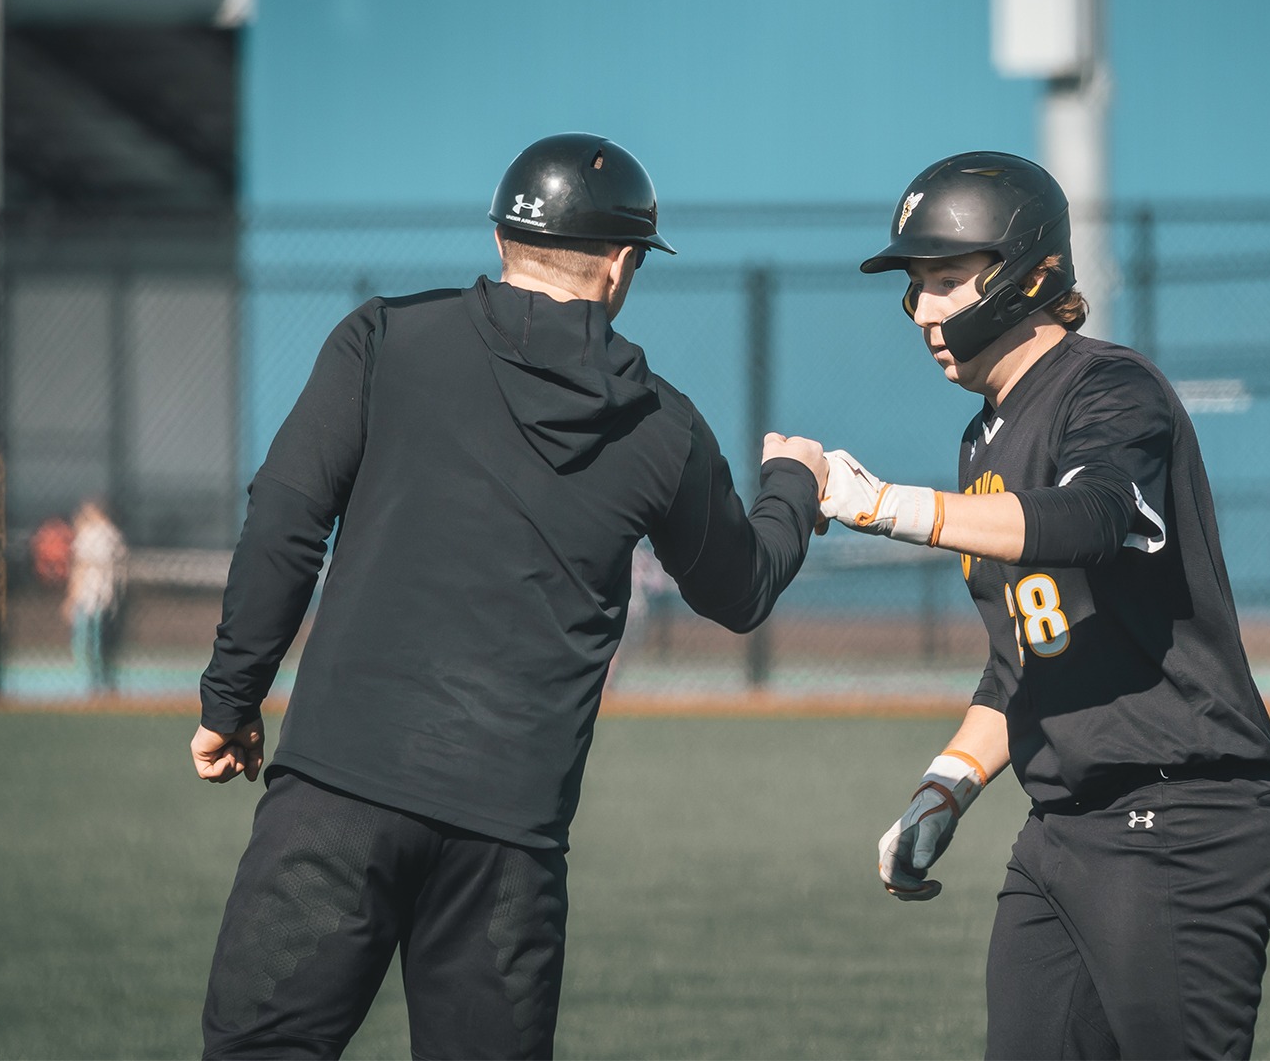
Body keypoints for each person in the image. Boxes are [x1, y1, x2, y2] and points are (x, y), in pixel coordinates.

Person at [189, 133, 828, 1060]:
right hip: (509, 845)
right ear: (620, 264)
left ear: (501, 240)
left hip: (334, 795)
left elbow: (285, 520)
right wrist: (793, 487)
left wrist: (232, 698)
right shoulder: (665, 431)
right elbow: (743, 591)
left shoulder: (384, 340)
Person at [822, 152, 1270, 1060]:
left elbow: (1094, 518)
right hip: (1065, 832)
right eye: (916, 285)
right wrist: (944, 792)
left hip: (1182, 819)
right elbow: (1024, 662)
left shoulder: (1110, 388)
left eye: (947, 280)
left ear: (1033, 276)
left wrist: (884, 507)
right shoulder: (984, 438)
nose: (922, 310)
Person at [63, 499, 126, 691]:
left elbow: (80, 567)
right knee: (98, 635)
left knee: (84, 635)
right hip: (105, 592)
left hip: (89, 592)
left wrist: (71, 596)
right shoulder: (114, 535)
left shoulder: (89, 534)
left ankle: (87, 678)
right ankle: (99, 677)